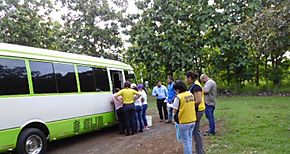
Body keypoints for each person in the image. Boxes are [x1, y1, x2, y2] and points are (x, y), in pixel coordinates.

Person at [172, 80, 197, 154]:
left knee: (185, 142)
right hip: (192, 120)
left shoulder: (178, 97)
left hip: (183, 121)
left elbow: (175, 110)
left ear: (178, 89)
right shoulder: (190, 94)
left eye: (175, 90)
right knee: (189, 139)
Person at [186, 71, 205, 154]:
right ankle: (199, 150)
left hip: (198, 110)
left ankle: (200, 151)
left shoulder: (196, 86)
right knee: (195, 131)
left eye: (186, 78)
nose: (186, 80)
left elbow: (199, 100)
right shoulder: (193, 85)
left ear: (190, 78)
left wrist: (189, 105)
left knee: (195, 131)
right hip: (196, 110)